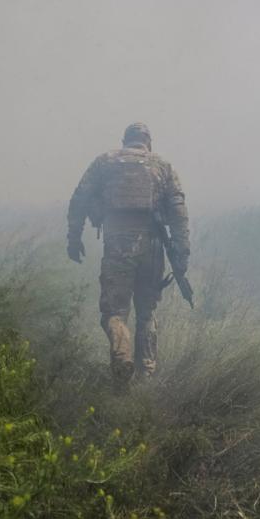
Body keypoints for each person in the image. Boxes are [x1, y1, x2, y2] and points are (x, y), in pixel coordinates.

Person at [66, 122, 190, 387]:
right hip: (154, 246)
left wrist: (74, 238)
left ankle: (122, 359)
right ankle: (146, 376)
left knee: (115, 312)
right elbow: (179, 212)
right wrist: (181, 255)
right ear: (148, 142)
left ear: (125, 141)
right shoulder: (163, 166)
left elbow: (80, 198)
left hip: (118, 244)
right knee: (147, 312)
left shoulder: (105, 162)